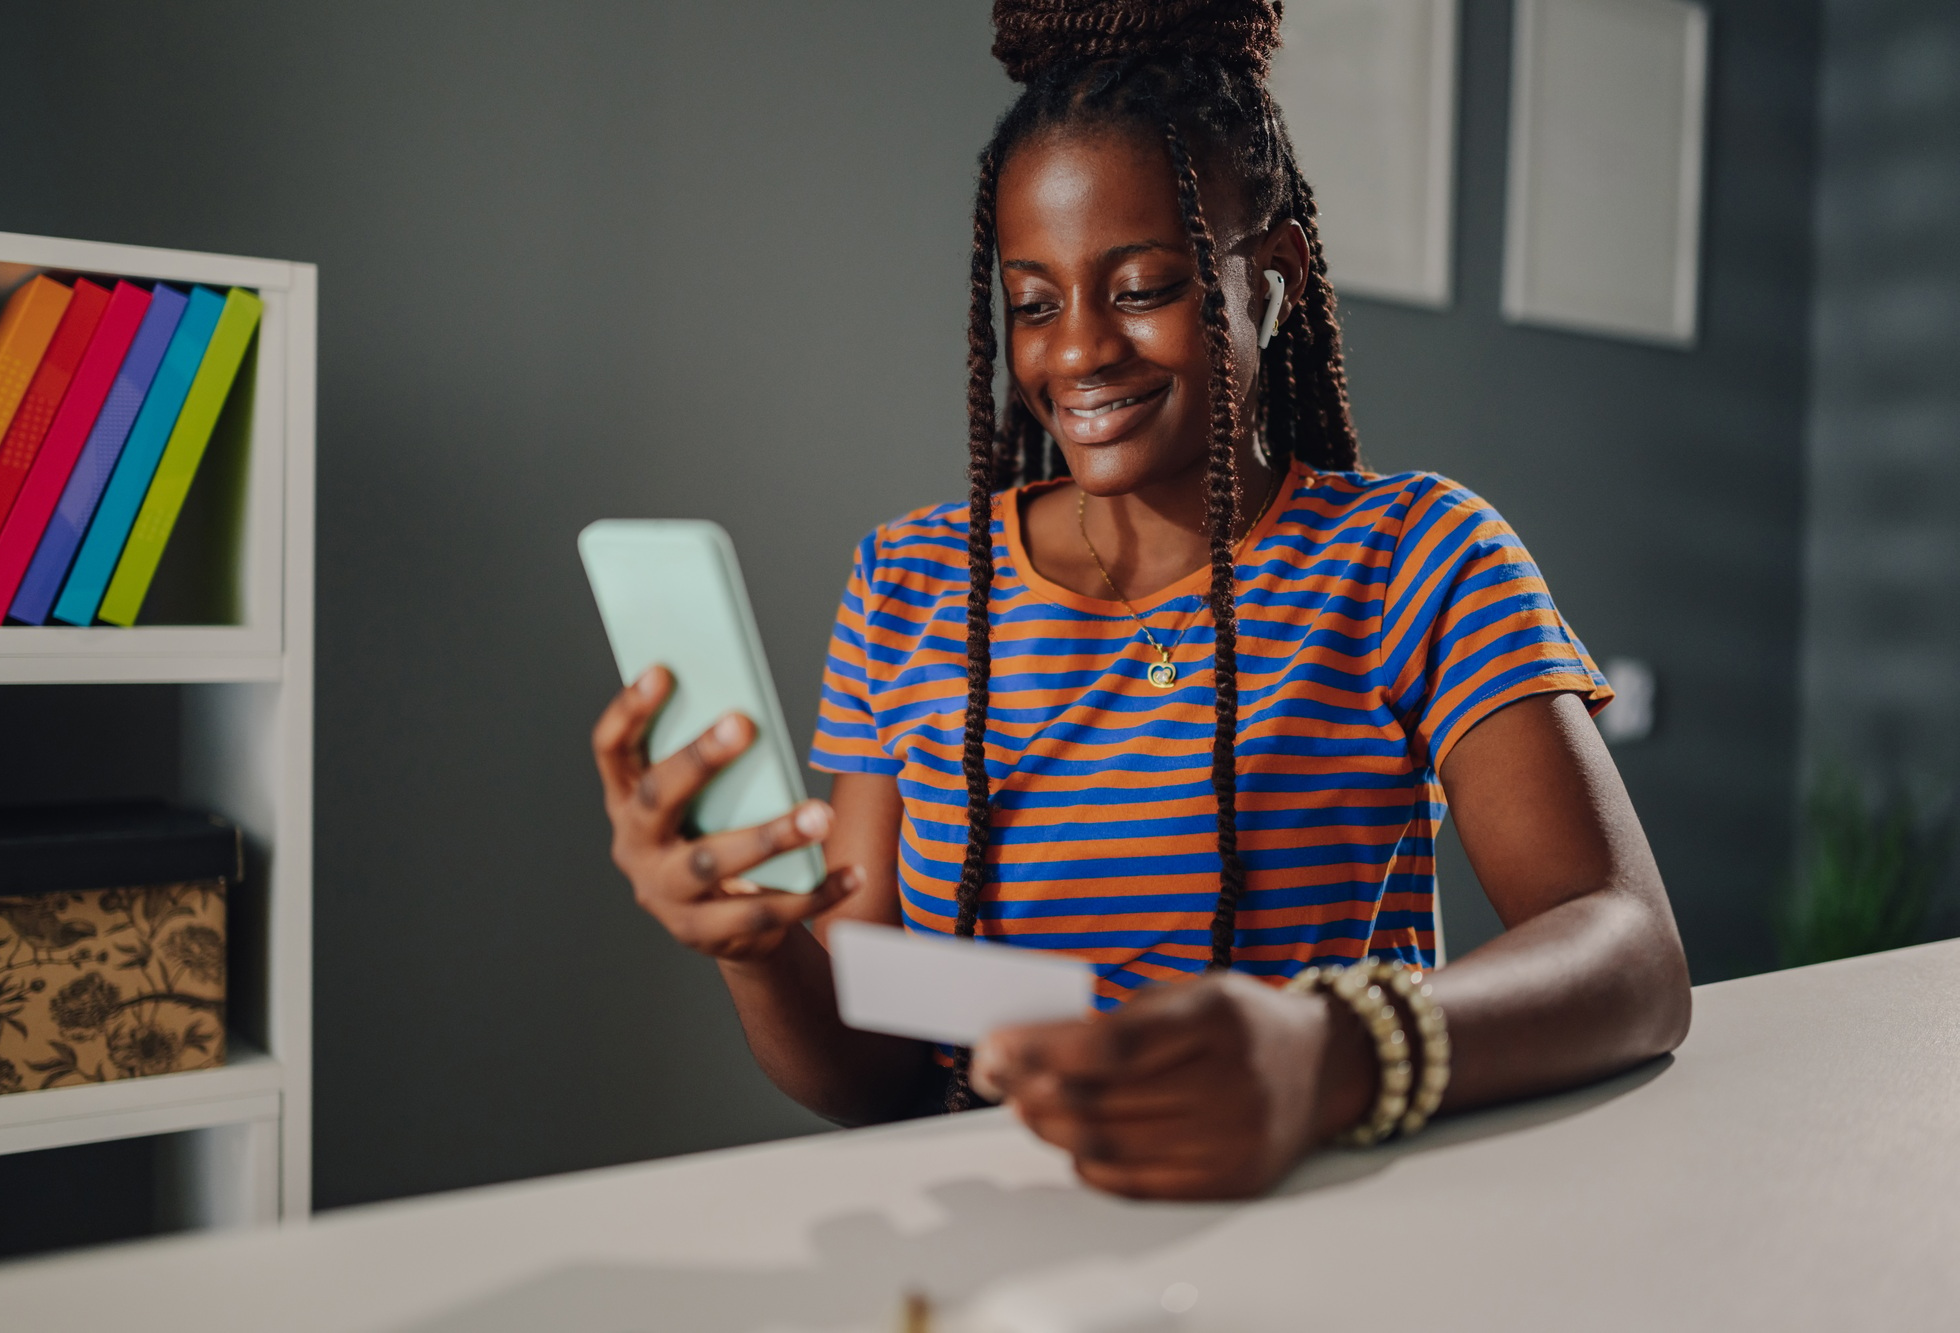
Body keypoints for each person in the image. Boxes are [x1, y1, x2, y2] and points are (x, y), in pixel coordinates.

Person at [593, 0, 1690, 1200]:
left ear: (1268, 276)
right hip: (989, 1250)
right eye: (1032, 301)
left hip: (1310, 1220)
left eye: (1140, 286)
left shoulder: (1416, 557)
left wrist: (1324, 1054)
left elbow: (1629, 954)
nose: (1077, 353)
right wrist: (755, 947)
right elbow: (878, 1070)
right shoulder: (905, 586)